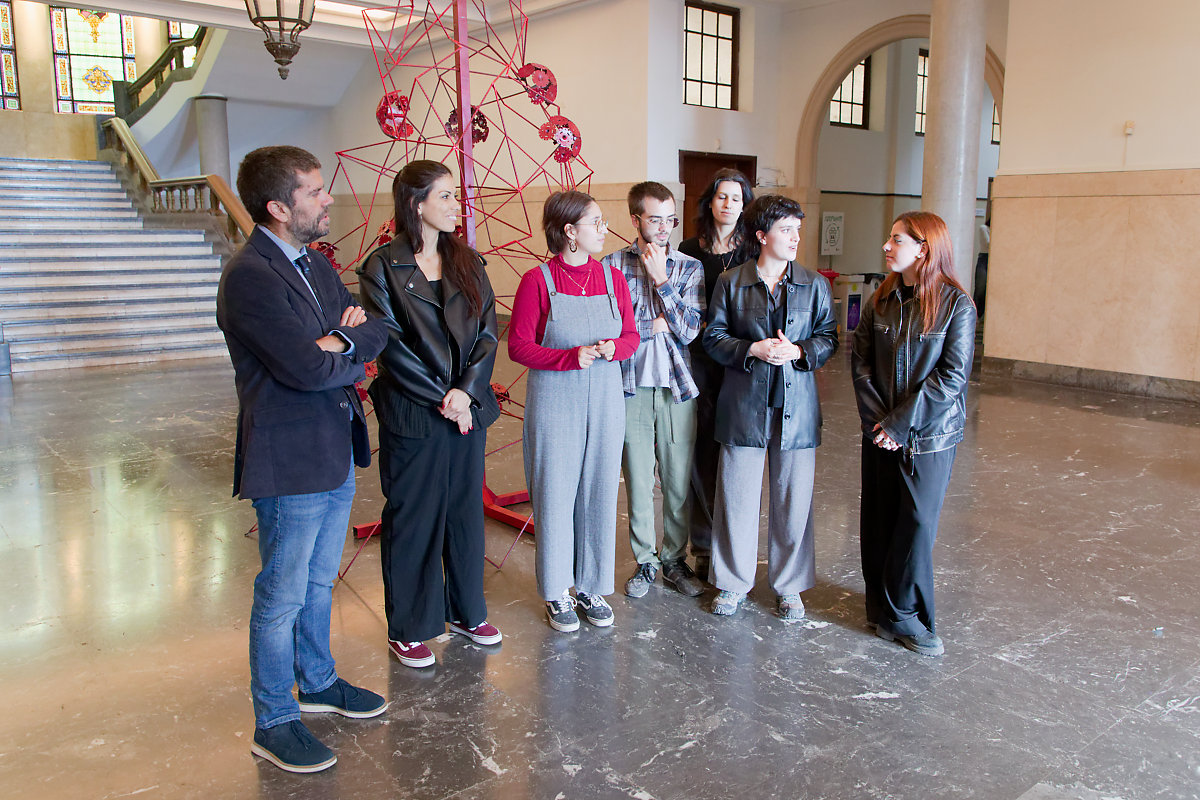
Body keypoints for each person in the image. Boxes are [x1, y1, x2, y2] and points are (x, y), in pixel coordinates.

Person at [216, 145, 389, 774]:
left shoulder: (313, 264)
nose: (327, 199)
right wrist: (336, 345)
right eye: (315, 192)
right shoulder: (250, 276)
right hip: (288, 459)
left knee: (320, 583)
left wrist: (337, 338)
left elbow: (373, 330)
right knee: (282, 594)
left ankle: (316, 683)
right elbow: (304, 368)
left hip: (333, 444)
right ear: (278, 206)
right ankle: (274, 720)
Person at [356, 160, 503, 669]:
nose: (455, 205)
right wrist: (444, 396)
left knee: (464, 513)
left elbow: (487, 332)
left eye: (454, 196)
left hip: (465, 410)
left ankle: (467, 610)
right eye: (444, 197)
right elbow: (389, 345)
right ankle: (410, 626)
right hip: (416, 411)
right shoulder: (382, 267)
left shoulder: (469, 261)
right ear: (416, 205)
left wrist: (465, 392)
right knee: (414, 517)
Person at [509, 190, 639, 632]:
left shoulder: (613, 279)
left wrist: (612, 347)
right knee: (555, 494)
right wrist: (569, 357)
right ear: (570, 231)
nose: (604, 230)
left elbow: (633, 337)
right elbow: (519, 345)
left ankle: (591, 585)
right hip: (555, 400)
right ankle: (558, 592)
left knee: (600, 491)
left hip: (605, 399)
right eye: (596, 222)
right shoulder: (537, 281)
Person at [702, 195, 837, 619]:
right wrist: (752, 348)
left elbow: (829, 338)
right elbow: (713, 337)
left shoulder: (814, 284)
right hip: (744, 405)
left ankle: (790, 586)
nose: (795, 238)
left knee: (793, 501)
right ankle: (731, 583)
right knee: (737, 499)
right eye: (786, 230)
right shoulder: (731, 281)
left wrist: (799, 350)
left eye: (798, 229)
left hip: (797, 408)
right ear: (762, 236)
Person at [851, 211, 976, 658]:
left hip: (929, 436)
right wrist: (878, 425)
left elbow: (951, 377)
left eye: (897, 239)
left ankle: (907, 614)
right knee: (879, 519)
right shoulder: (880, 299)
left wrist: (901, 425)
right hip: (881, 431)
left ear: (924, 248)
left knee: (917, 524)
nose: (887, 246)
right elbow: (861, 363)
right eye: (889, 238)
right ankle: (881, 612)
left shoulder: (956, 305)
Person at [601, 182, 705, 600]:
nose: (663, 228)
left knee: (678, 479)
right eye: (654, 219)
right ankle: (646, 560)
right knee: (639, 479)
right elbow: (612, 331)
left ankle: (674, 559)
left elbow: (690, 329)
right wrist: (655, 326)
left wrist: (662, 280)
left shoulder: (688, 267)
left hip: (677, 387)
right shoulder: (611, 266)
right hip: (630, 386)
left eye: (670, 219)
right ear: (635, 220)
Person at [678, 168, 756, 581]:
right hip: (699, 362)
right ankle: (703, 543)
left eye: (736, 198)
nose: (728, 204)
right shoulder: (690, 248)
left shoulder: (752, 253)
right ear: (710, 201)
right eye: (722, 196)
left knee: (736, 456)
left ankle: (733, 544)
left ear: (745, 206)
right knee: (700, 454)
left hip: (739, 362)